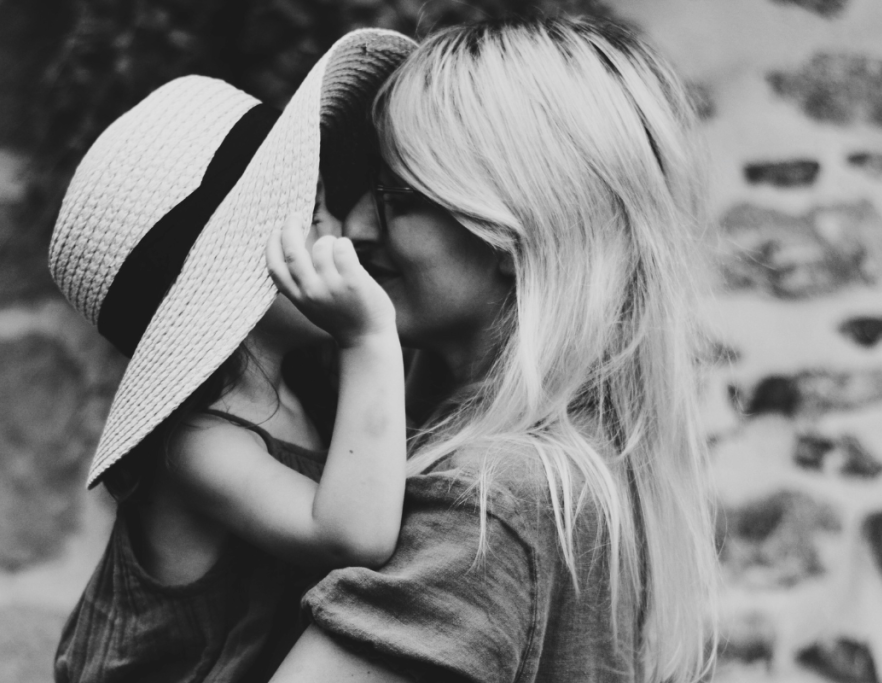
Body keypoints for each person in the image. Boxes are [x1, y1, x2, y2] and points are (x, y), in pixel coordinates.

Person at [270, 16, 719, 683]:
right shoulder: (593, 462)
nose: (360, 223)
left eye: (396, 195)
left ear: (511, 232)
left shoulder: (487, 504)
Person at [48, 29, 416, 683]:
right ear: (232, 278)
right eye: (316, 217)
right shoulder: (200, 443)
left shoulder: (306, 391)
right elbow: (352, 538)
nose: (346, 231)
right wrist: (369, 339)